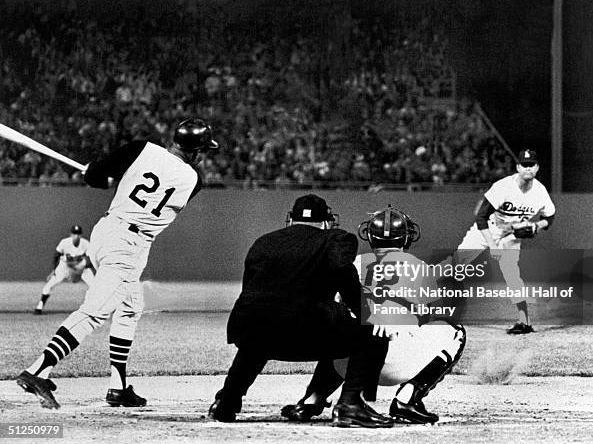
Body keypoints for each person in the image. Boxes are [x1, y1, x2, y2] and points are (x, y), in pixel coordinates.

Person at [16, 118, 219, 409]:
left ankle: (118, 387)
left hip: (107, 232)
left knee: (130, 306)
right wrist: (102, 175)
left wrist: (94, 173)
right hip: (128, 245)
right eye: (203, 150)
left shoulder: (141, 148)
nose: (203, 155)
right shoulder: (194, 180)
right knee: (96, 311)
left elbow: (97, 176)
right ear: (196, 150)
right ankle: (38, 370)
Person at [209, 194, 394, 428]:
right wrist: (370, 314)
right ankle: (350, 404)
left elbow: (252, 293)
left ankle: (226, 401)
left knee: (257, 334)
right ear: (326, 221)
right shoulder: (335, 239)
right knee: (373, 332)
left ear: (291, 219)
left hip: (250, 330)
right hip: (306, 332)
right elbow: (346, 283)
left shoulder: (263, 241)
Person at [282, 205, 466, 425]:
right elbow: (433, 314)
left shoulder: (353, 264)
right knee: (454, 331)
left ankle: (312, 398)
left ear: (369, 236)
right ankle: (408, 399)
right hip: (398, 365)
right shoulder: (419, 267)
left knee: (339, 325)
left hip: (348, 365)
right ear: (407, 237)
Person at [452, 149, 555, 334]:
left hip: (511, 234)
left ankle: (524, 322)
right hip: (487, 229)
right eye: (524, 164)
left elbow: (550, 217)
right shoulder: (503, 186)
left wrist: (537, 226)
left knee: (512, 275)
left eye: (531, 165)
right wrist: (492, 245)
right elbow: (481, 217)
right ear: (517, 167)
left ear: (537, 168)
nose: (528, 168)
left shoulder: (540, 192)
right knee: (455, 265)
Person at [34, 225, 95, 315]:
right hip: (66, 267)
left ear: (81, 235)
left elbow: (91, 258)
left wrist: (85, 265)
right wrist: (54, 270)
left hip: (80, 268)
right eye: (74, 234)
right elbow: (56, 255)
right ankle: (40, 306)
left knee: (95, 286)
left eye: (78, 234)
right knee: (49, 285)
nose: (76, 236)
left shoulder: (85, 244)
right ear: (71, 234)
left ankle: (94, 308)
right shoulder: (64, 242)